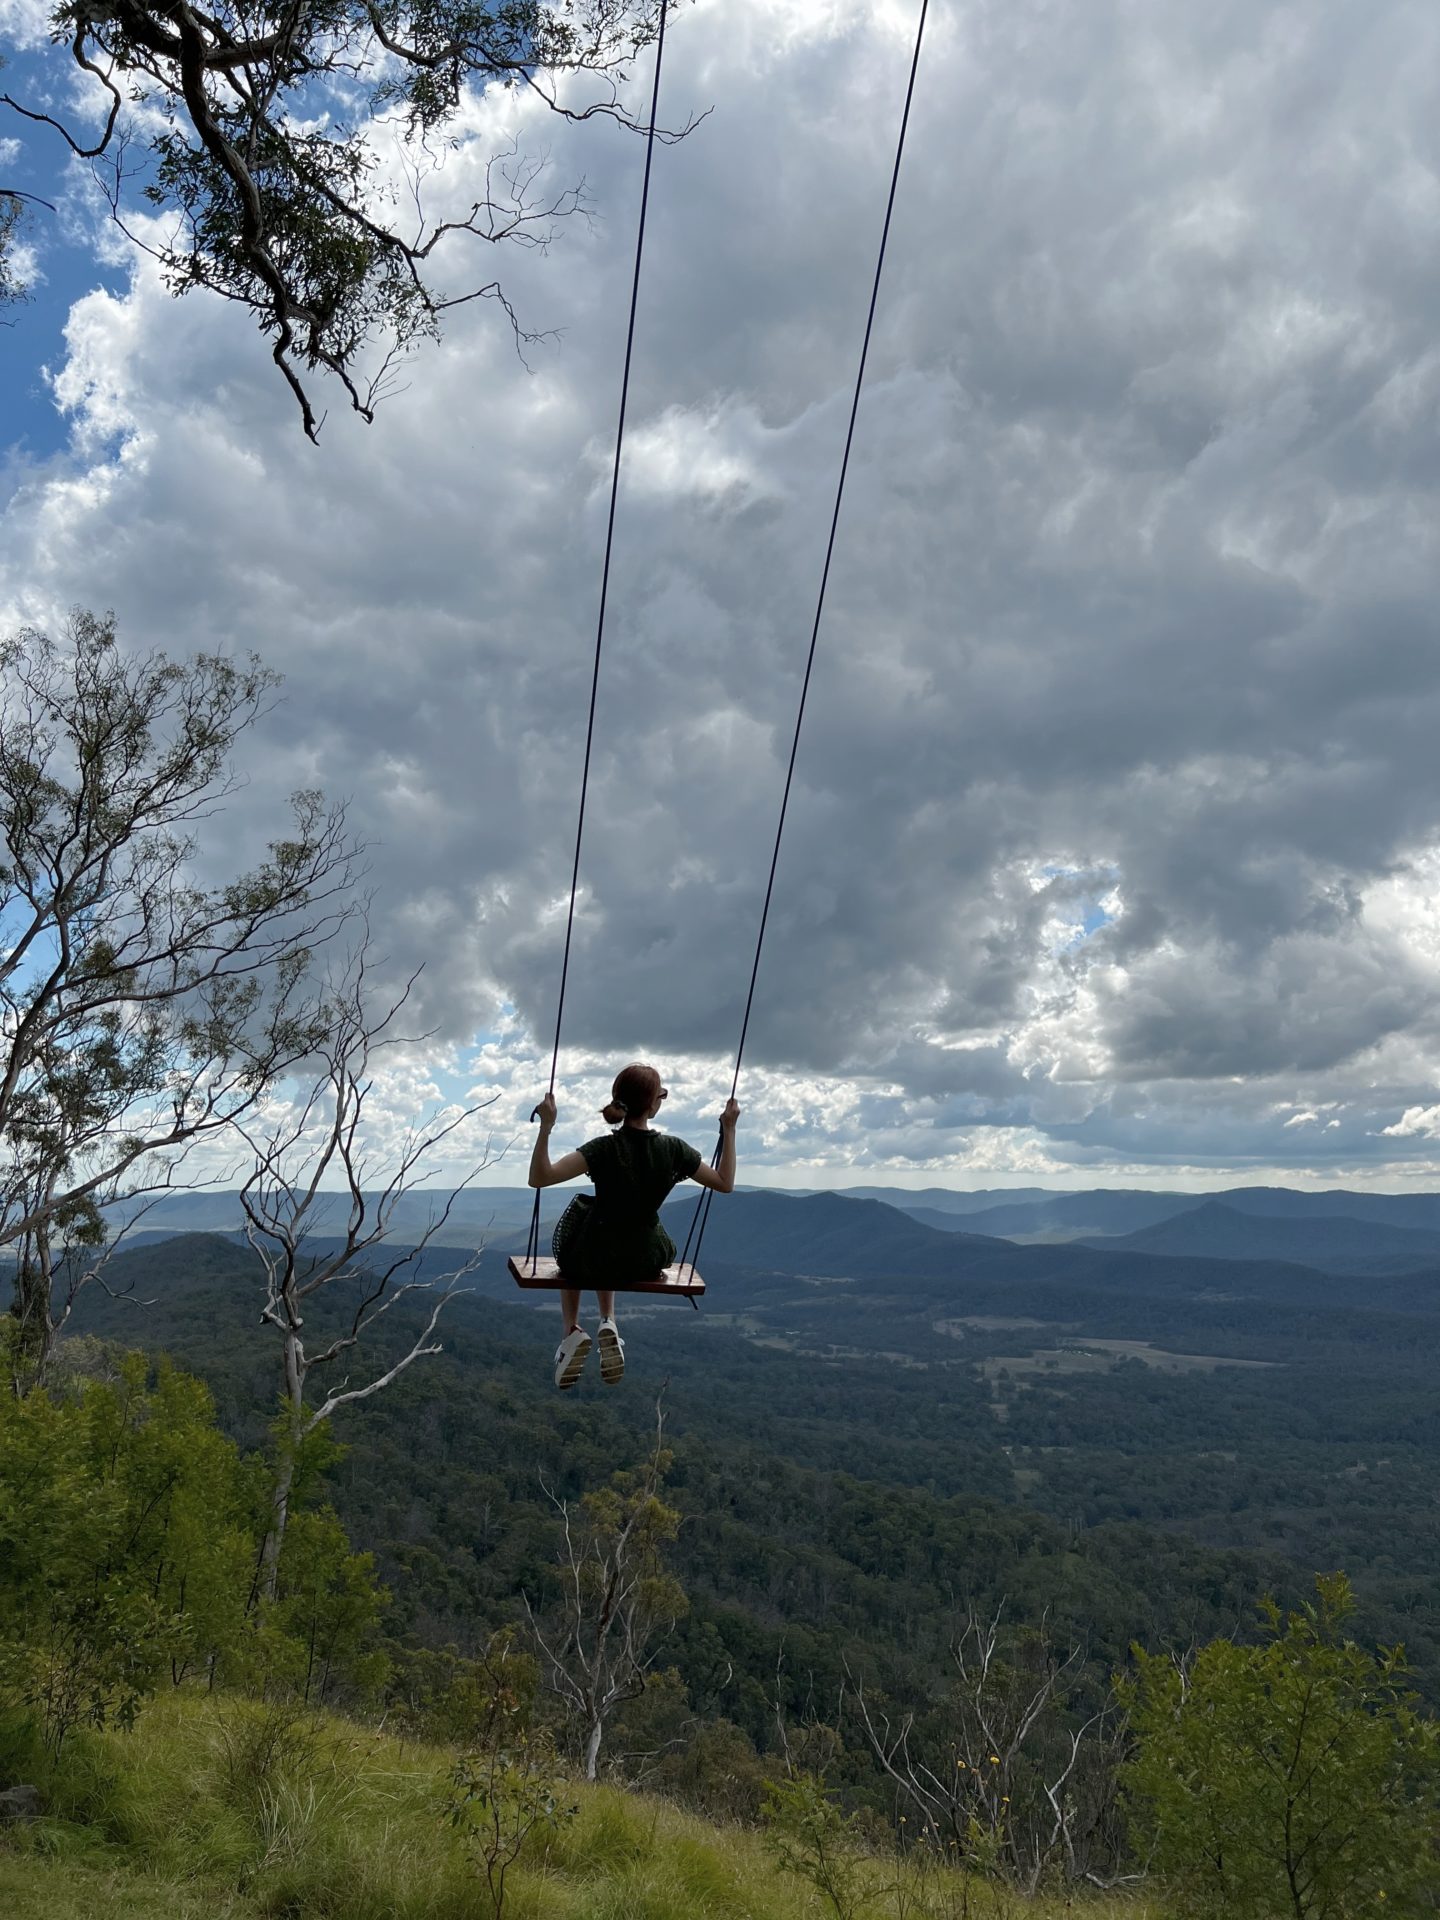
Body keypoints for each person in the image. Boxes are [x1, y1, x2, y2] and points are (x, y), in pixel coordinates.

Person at [527, 1062, 740, 1389]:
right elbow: (724, 1183)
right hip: (647, 1256)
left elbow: (540, 1177)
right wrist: (729, 1128)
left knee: (578, 1244)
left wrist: (547, 1126)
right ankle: (608, 1321)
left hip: (594, 1254)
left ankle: (571, 1331)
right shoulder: (673, 1149)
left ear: (619, 1100)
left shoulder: (604, 1148)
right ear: (653, 1104)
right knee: (612, 1241)